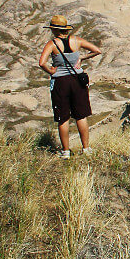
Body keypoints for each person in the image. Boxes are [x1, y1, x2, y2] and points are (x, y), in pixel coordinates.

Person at [38, 15, 102, 159]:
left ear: (54, 30)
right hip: (77, 81)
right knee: (81, 116)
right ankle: (86, 148)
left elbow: (42, 63)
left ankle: (66, 151)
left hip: (61, 82)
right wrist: (81, 58)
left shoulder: (52, 44)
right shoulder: (77, 41)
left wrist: (51, 70)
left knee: (63, 117)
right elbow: (97, 50)